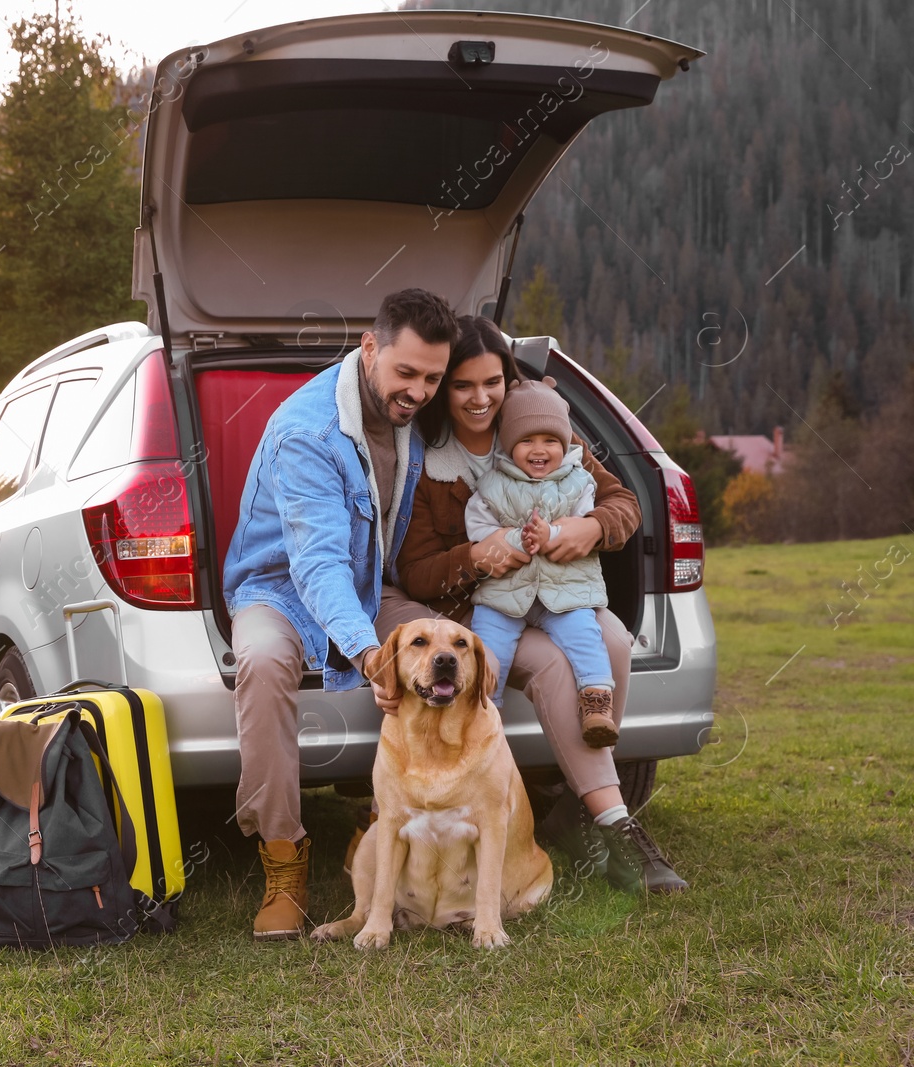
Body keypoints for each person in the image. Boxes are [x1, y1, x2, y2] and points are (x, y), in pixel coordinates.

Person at [395, 315, 687, 895]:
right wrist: (476, 557)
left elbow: (623, 503)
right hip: (482, 609)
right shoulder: (429, 463)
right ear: (441, 387)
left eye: (493, 382)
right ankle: (605, 820)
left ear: (510, 379)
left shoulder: (543, 432)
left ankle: (581, 813)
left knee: (613, 641)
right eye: (462, 385)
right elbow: (415, 572)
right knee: (555, 665)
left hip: (558, 592)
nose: (481, 399)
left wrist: (592, 526)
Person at [222, 287, 459, 941]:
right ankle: (282, 861)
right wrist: (368, 651)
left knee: (447, 646)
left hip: (366, 581)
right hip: (278, 586)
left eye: (432, 377)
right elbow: (316, 565)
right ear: (370, 348)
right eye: (406, 372)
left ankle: (420, 830)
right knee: (265, 662)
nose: (417, 390)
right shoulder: (308, 431)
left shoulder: (416, 416)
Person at [463, 375, 618, 746]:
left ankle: (596, 702)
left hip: (564, 591)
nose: (540, 449)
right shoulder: (492, 484)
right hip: (505, 593)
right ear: (508, 444)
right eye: (527, 440)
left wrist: (554, 536)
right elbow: (478, 528)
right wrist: (515, 540)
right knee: (488, 647)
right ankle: (484, 713)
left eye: (551, 441)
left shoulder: (579, 482)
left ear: (564, 445)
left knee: (585, 636)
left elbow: (585, 523)